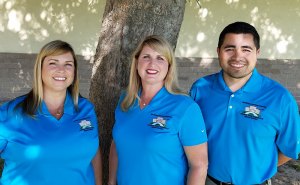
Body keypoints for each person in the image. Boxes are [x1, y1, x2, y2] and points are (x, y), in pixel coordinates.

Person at [190, 21, 300, 185]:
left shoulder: (280, 98)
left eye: (246, 49)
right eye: (229, 49)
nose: (237, 56)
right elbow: (189, 139)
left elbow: (289, 149)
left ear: (257, 52)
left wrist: (257, 167)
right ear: (218, 51)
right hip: (208, 180)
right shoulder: (200, 89)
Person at [108, 35, 208, 185]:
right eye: (146, 56)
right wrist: (110, 182)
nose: (152, 63)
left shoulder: (185, 107)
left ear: (169, 66)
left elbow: (199, 165)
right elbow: (116, 144)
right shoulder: (125, 100)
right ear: (136, 63)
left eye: (160, 58)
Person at [0, 40, 102, 185]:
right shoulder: (11, 113)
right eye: (53, 63)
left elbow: (93, 150)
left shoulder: (86, 109)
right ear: (40, 69)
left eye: (68, 64)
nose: (61, 70)